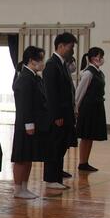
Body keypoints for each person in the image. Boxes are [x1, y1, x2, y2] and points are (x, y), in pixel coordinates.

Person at [11, 46, 49, 199]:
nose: (42, 62)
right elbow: (24, 104)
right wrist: (29, 124)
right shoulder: (25, 78)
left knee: (28, 157)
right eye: (40, 59)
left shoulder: (35, 77)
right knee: (21, 158)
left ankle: (24, 187)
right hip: (25, 125)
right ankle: (18, 188)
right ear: (32, 60)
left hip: (35, 122)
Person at [43, 32, 77, 190]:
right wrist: (56, 115)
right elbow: (51, 93)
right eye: (70, 47)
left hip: (66, 112)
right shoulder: (52, 65)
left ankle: (57, 176)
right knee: (55, 146)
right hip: (58, 114)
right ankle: (51, 179)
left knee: (62, 145)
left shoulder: (62, 64)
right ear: (61, 46)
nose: (72, 50)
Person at [76, 47, 106, 172]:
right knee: (86, 136)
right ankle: (82, 162)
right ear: (92, 58)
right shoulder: (88, 73)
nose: (101, 59)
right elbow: (80, 92)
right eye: (99, 56)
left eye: (102, 56)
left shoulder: (99, 72)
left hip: (96, 107)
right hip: (88, 108)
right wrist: (75, 109)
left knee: (90, 136)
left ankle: (85, 162)